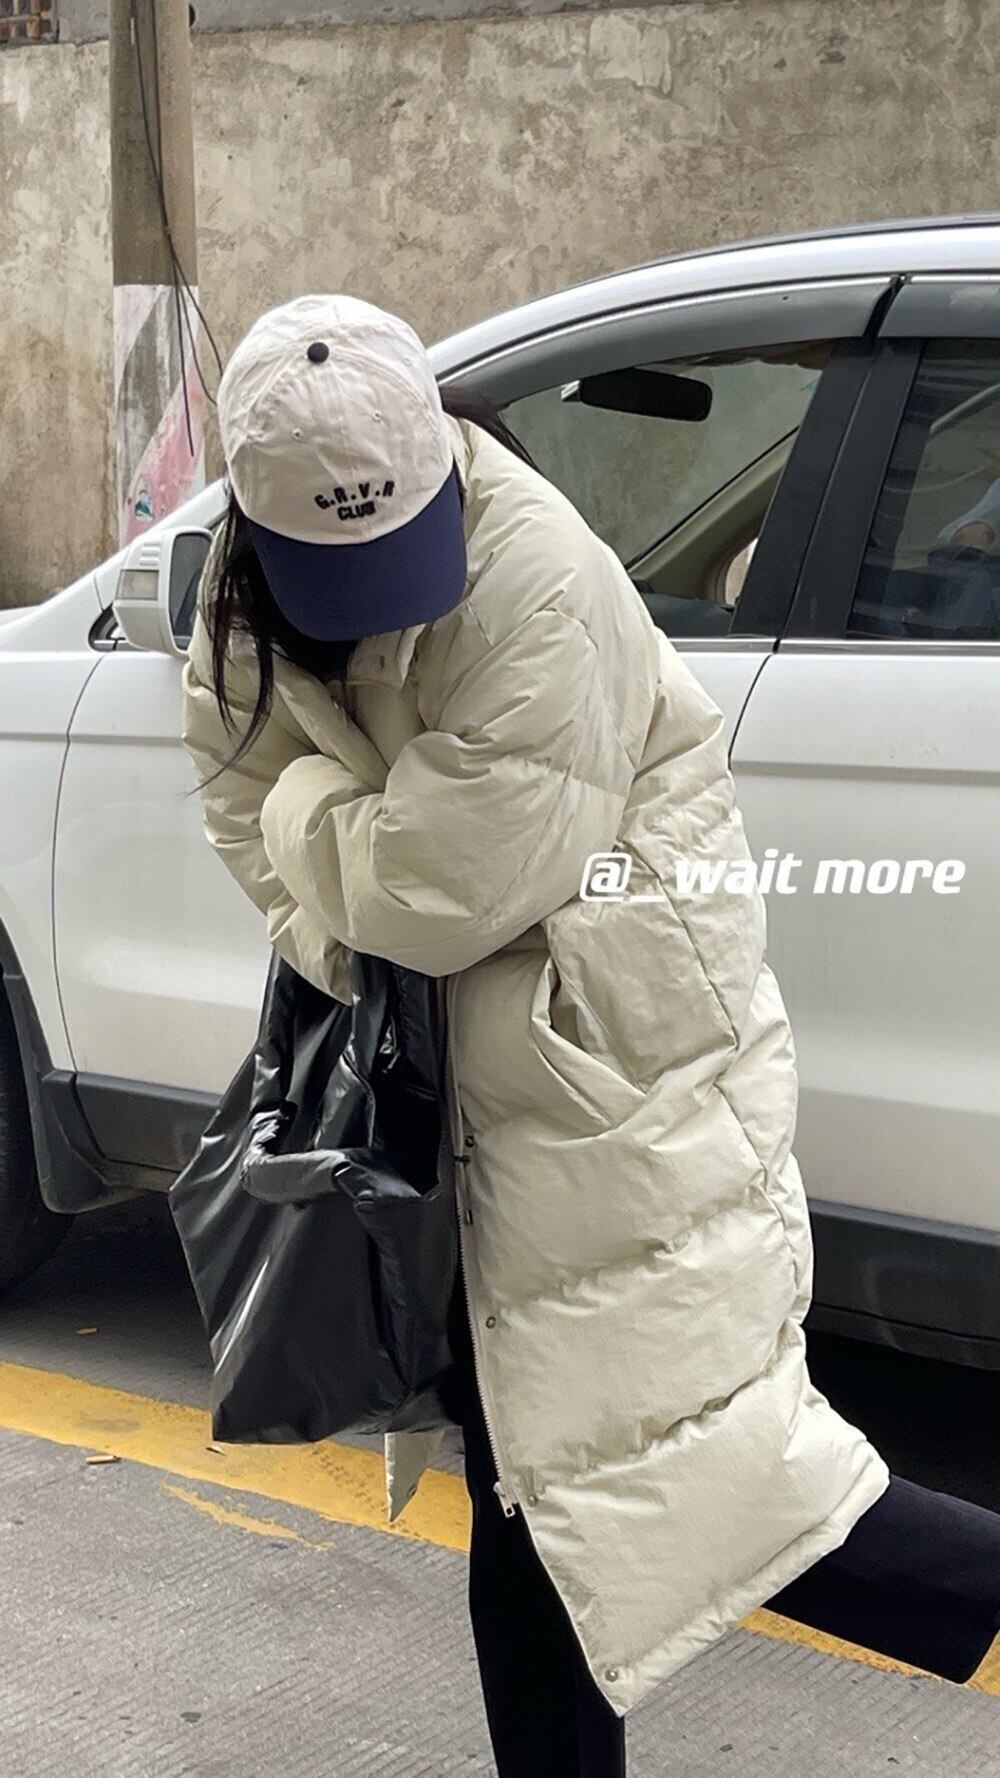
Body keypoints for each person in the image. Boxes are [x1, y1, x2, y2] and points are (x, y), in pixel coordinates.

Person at [182, 295, 1000, 1777]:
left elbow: (433, 891)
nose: (374, 595)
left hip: (611, 1059)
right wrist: (343, 915)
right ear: (257, 527)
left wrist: (320, 816)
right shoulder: (236, 605)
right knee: (544, 1486)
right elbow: (250, 816)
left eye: (398, 546)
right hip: (467, 1092)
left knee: (714, 1475)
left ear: (439, 457)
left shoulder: (538, 579)